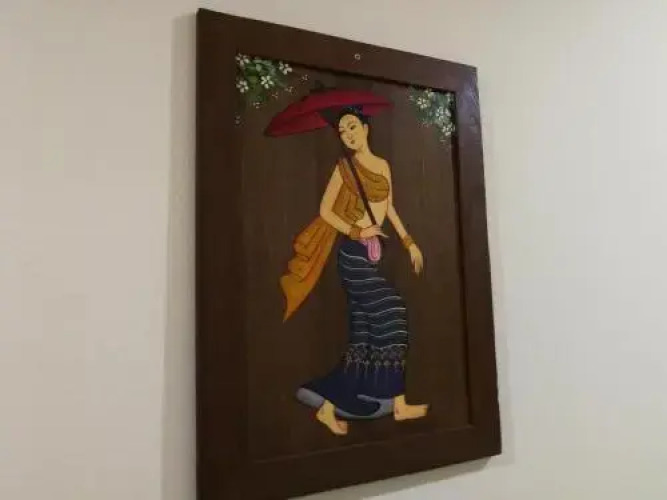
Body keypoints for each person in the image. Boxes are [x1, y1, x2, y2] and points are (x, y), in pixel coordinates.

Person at [281, 107, 429, 435]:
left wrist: (409, 242)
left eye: (352, 127)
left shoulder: (383, 165)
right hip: (352, 254)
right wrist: (356, 231)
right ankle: (395, 402)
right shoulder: (343, 168)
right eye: (342, 132)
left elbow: (388, 207)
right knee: (392, 311)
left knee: (363, 330)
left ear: (365, 127)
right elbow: (325, 210)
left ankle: (333, 409)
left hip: (373, 254)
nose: (347, 135)